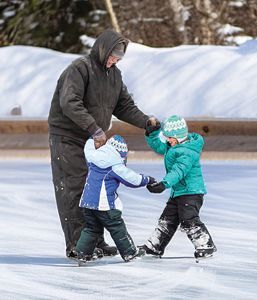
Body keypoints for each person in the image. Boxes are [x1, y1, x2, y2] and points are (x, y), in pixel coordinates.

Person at [48, 29, 158, 259]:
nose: (114, 60)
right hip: (68, 138)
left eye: (118, 58)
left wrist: (146, 121)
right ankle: (77, 244)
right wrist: (94, 128)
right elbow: (69, 102)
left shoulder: (114, 76)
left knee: (94, 189)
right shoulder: (80, 69)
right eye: (112, 56)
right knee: (74, 188)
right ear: (102, 49)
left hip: (92, 140)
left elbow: (124, 106)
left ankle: (95, 240)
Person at [140, 115, 217, 260]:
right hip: (178, 192)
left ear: (179, 136)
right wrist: (153, 133)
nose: (168, 140)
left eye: (170, 137)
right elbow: (158, 146)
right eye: (167, 137)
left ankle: (205, 245)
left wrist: (164, 184)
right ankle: (155, 246)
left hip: (191, 192)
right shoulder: (174, 146)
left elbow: (179, 171)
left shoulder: (187, 152)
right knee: (167, 220)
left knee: (189, 219)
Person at [72, 135, 153, 264]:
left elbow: (87, 149)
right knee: (117, 227)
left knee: (91, 228)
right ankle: (129, 253)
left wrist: (91, 139)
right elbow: (132, 179)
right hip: (104, 205)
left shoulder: (93, 158)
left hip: (87, 203)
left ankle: (82, 253)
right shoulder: (115, 165)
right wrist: (147, 179)